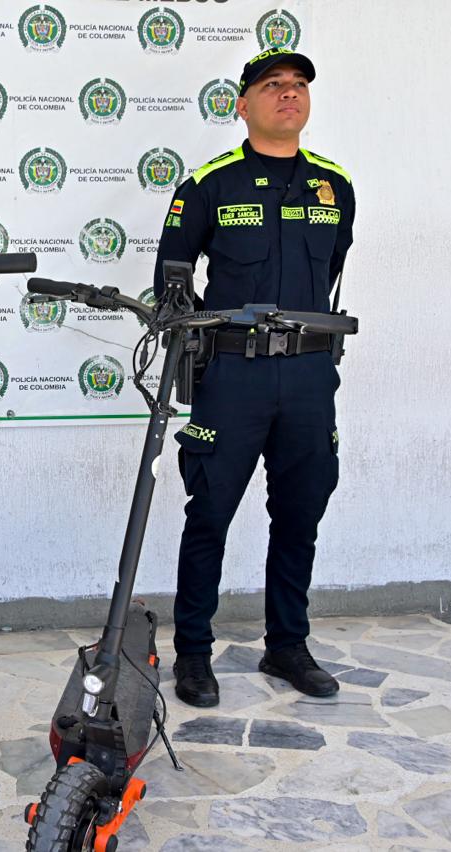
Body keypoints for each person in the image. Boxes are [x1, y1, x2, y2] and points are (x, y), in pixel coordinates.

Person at [153, 48, 355, 706]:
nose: (288, 95)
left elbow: (333, 269)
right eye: (273, 86)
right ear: (243, 105)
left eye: (298, 86)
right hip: (233, 375)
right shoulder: (209, 185)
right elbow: (172, 278)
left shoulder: (334, 186)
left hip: (307, 375)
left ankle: (287, 646)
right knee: (208, 514)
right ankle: (192, 654)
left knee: (299, 516)